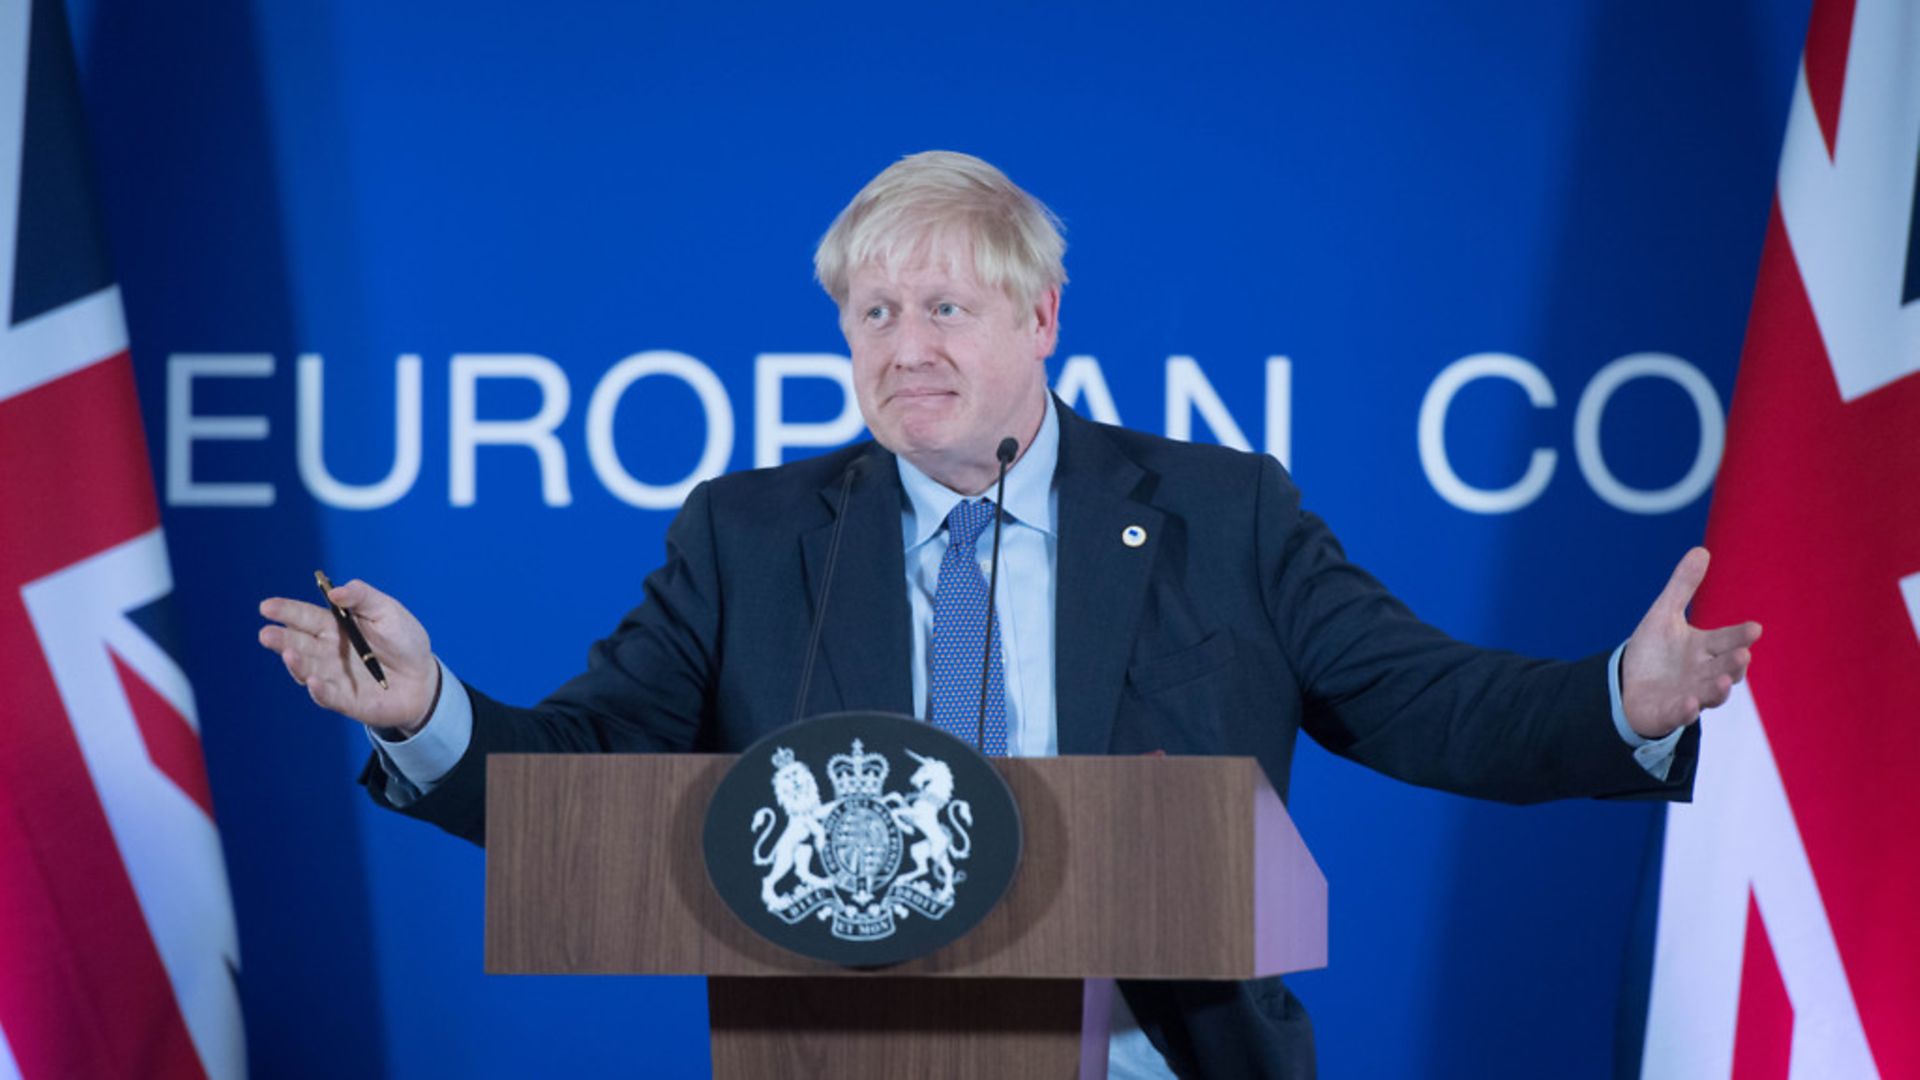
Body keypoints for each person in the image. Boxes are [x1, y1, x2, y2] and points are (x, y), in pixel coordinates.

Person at [258, 151, 1760, 1079]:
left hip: (1161, 1060)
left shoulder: (1218, 514)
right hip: (845, 1065)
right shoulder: (754, 535)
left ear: (1043, 320)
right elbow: (595, 767)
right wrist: (429, 716)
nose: (905, 350)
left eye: (947, 311)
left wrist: (1624, 691)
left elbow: (1425, 699)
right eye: (873, 316)